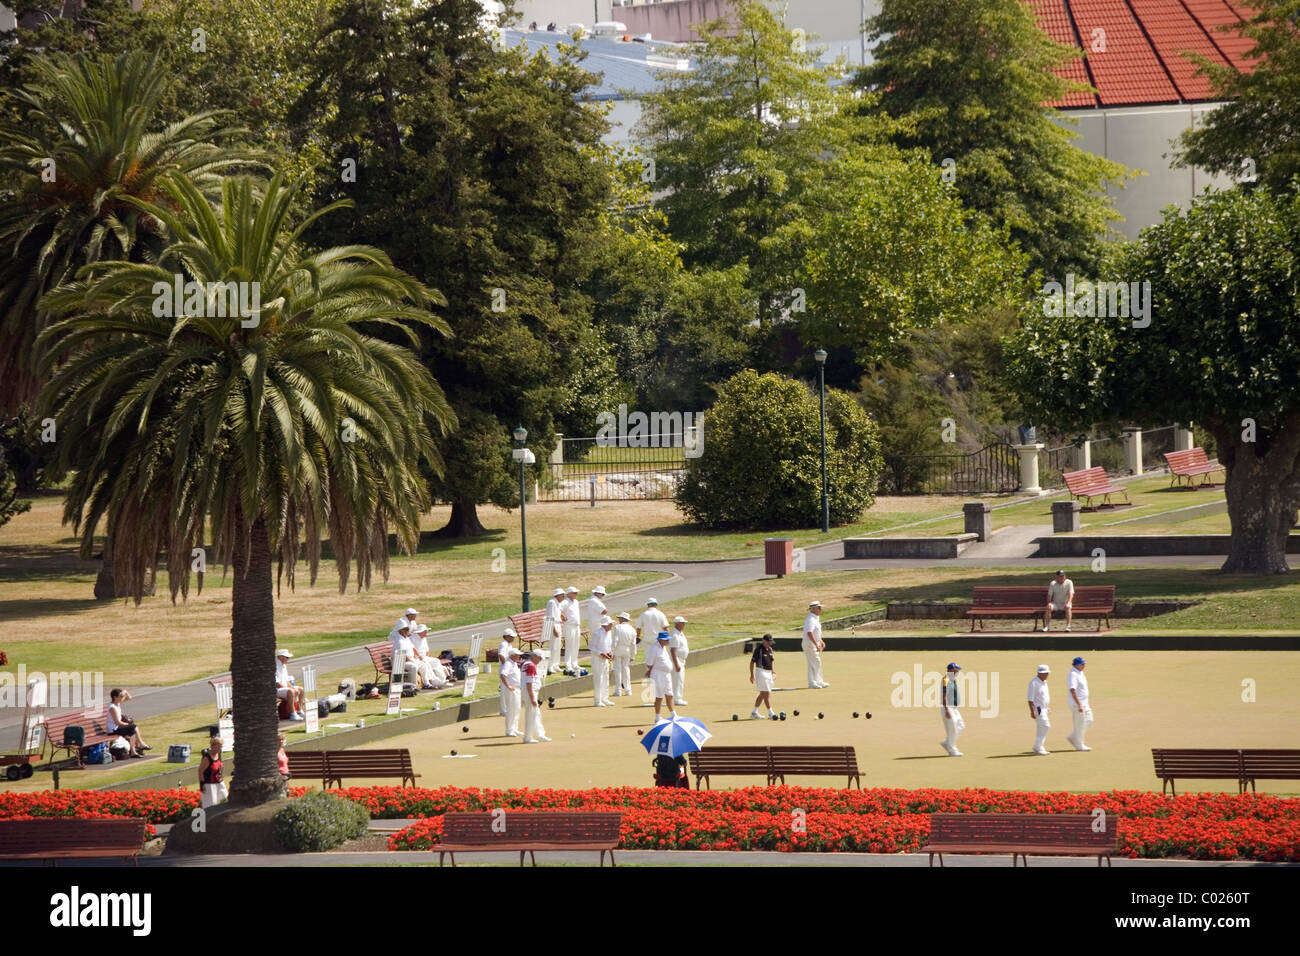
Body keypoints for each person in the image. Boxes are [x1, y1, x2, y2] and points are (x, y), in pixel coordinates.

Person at [644, 631, 678, 721]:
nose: (668, 641)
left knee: (669, 694)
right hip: (657, 674)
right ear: (660, 640)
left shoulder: (663, 647)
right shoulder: (654, 648)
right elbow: (649, 663)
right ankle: (657, 717)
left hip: (666, 675)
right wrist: (649, 671)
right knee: (659, 696)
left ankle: (674, 715)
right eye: (666, 640)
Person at [106, 688, 149, 756]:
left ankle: (135, 750)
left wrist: (125, 692)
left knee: (133, 728)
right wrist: (127, 724)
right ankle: (138, 747)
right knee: (133, 727)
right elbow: (117, 722)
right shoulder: (112, 707)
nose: (122, 697)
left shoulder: (117, 703)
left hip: (117, 727)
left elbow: (129, 698)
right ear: (115, 697)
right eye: (121, 696)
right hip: (113, 729)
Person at [522, 649, 551, 742]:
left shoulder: (527, 664)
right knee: (532, 715)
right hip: (530, 692)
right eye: (539, 658)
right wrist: (533, 698)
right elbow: (529, 683)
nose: (540, 660)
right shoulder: (530, 666)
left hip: (529, 692)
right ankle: (528, 737)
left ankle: (539, 735)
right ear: (534, 656)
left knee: (535, 714)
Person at [1066, 657, 1093, 751]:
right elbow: (1072, 690)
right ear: (1077, 665)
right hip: (1077, 704)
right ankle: (1079, 745)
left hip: (1085, 703)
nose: (1084, 665)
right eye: (1082, 664)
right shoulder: (1073, 674)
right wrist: (1079, 704)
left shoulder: (1080, 673)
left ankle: (1073, 737)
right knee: (1080, 724)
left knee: (1089, 720)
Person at [749, 633, 776, 719]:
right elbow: (752, 662)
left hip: (768, 673)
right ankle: (771, 713)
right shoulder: (758, 649)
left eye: (770, 642)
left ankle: (754, 712)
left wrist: (773, 672)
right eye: (768, 642)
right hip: (761, 672)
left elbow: (771, 662)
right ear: (764, 641)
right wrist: (752, 675)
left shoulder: (770, 649)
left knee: (762, 694)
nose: (770, 644)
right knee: (766, 694)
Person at [590, 615, 616, 706]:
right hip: (597, 659)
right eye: (610, 624)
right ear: (605, 625)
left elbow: (609, 646)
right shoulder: (597, 633)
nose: (611, 625)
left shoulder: (609, 633)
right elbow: (591, 647)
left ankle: (605, 699)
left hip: (605, 659)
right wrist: (601, 653)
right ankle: (597, 701)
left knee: (606, 678)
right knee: (598, 679)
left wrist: (610, 652)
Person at [1027, 664, 1052, 754]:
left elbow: (1043, 696)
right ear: (1039, 673)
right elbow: (1030, 699)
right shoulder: (1033, 683)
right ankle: (1038, 747)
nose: (1046, 675)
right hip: (1038, 709)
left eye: (1047, 673)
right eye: (1044, 673)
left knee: (1042, 728)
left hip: (1044, 708)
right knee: (1045, 726)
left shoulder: (1044, 682)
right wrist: (1032, 711)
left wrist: (1047, 706)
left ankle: (1038, 747)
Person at [611, 611, 637, 697]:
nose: (618, 620)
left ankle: (618, 690)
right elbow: (633, 644)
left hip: (618, 649)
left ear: (623, 619)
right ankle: (628, 690)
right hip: (627, 650)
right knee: (626, 669)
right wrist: (633, 655)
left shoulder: (618, 627)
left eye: (619, 618)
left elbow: (615, 640)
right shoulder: (632, 629)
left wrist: (612, 651)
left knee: (618, 669)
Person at [803, 600, 828, 688]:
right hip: (809, 643)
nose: (820, 609)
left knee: (813, 662)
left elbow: (815, 632)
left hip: (812, 642)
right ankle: (813, 683)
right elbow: (809, 633)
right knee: (815, 662)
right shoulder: (810, 619)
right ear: (813, 609)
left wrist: (820, 641)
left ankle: (817, 682)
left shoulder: (815, 618)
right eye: (819, 608)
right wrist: (816, 644)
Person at [941, 663, 964, 756]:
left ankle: (947, 742)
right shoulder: (945, 679)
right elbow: (944, 695)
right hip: (948, 707)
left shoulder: (953, 680)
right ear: (951, 670)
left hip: (954, 708)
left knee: (960, 726)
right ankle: (952, 751)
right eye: (956, 670)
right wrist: (946, 710)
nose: (957, 672)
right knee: (953, 727)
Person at [275, 649, 306, 720]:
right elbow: (277, 683)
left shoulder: (283, 666)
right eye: (286, 657)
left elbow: (286, 681)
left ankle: (300, 710)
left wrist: (292, 688)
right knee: (291, 691)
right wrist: (291, 690)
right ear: (280, 657)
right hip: (277, 690)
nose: (288, 659)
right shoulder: (274, 666)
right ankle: (293, 714)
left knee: (301, 689)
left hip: (284, 688)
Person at [388, 625, 421, 691]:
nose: (408, 631)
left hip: (406, 660)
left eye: (408, 630)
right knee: (413, 666)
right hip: (399, 661)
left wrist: (417, 656)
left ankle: (428, 683)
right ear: (402, 631)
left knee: (423, 663)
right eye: (406, 630)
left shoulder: (406, 638)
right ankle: (413, 686)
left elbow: (413, 648)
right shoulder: (400, 641)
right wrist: (411, 661)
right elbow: (402, 655)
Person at [198, 735, 226, 808]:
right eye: (218, 747)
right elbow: (200, 770)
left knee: (224, 800)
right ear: (212, 746)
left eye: (221, 747)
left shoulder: (218, 754)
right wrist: (202, 784)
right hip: (209, 785)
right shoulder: (207, 757)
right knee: (210, 806)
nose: (220, 749)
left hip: (219, 783)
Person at [500, 648, 522, 737]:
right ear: (512, 655)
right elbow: (503, 675)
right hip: (511, 690)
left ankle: (515, 729)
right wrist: (508, 686)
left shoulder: (514, 663)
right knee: (511, 710)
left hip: (517, 688)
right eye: (517, 655)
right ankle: (509, 730)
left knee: (517, 709)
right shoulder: (508, 664)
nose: (519, 656)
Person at [559, 586, 582, 673]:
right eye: (574, 593)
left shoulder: (576, 602)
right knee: (569, 645)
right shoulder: (565, 602)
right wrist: (562, 616)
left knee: (576, 645)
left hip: (576, 625)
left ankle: (574, 663)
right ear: (569, 594)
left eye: (576, 593)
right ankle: (568, 664)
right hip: (569, 626)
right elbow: (558, 609)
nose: (576, 594)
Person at [668, 616, 690, 705]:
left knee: (680, 680)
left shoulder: (681, 634)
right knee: (677, 680)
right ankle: (676, 699)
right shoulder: (674, 635)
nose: (684, 625)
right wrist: (676, 664)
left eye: (684, 623)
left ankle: (677, 698)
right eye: (682, 623)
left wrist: (683, 661)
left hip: (681, 660)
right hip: (676, 660)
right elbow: (673, 651)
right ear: (677, 624)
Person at [543, 588, 565, 674]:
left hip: (558, 624)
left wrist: (562, 616)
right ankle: (549, 666)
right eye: (562, 595)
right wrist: (554, 629)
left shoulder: (558, 603)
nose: (563, 596)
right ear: (557, 595)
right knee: (552, 647)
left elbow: (557, 613)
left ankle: (556, 664)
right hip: (553, 625)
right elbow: (549, 617)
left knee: (557, 647)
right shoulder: (551, 602)